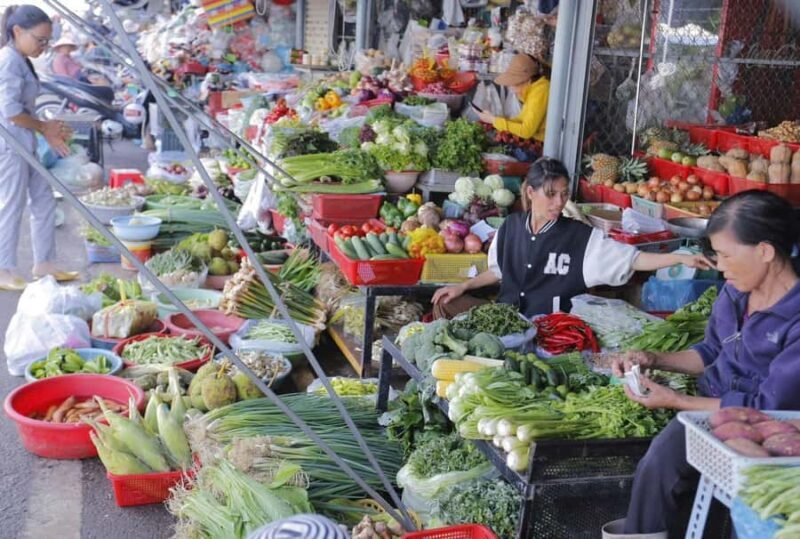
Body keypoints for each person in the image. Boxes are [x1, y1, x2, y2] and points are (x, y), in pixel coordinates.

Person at [608, 190, 800, 538]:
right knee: (656, 467)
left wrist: (678, 403)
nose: (719, 265)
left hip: (765, 427)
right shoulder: (735, 290)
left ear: (765, 251)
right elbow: (711, 350)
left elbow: (768, 408)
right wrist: (655, 359)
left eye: (725, 254)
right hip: (707, 407)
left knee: (740, 503)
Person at [431, 157, 711, 319]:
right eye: (551, 194)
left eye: (564, 194)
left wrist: (678, 257)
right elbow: (498, 271)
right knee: (444, 303)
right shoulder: (511, 227)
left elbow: (633, 259)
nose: (558, 202)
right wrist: (463, 286)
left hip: (551, 329)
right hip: (506, 320)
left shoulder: (580, 237)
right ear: (531, 193)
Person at [0, 5, 76, 290]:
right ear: (17, 31)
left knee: (44, 197)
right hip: (9, 143)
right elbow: (9, 110)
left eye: (47, 41)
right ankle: (3, 268)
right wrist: (45, 128)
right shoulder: (8, 60)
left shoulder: (21, 59)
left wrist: (48, 127)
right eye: (40, 40)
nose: (44, 47)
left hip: (23, 139)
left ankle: (44, 262)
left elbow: (23, 107)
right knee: (12, 204)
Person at [476, 53, 550, 143]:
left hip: (544, 144)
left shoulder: (540, 91)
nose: (513, 89)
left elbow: (526, 131)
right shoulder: (533, 89)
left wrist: (494, 120)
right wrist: (495, 120)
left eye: (515, 84)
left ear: (528, 80)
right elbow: (521, 120)